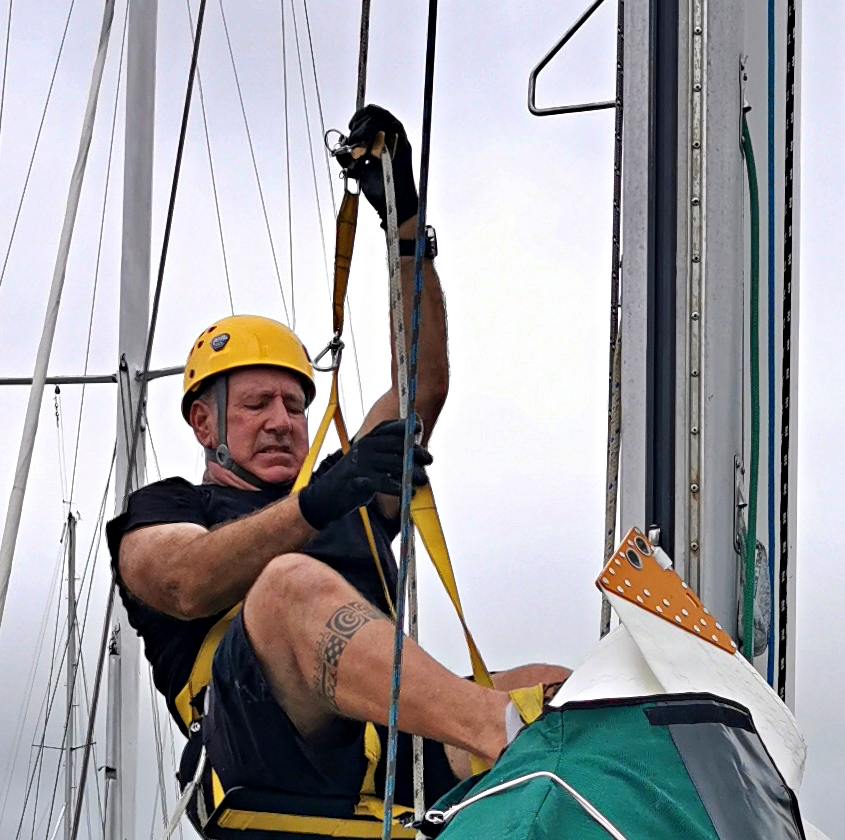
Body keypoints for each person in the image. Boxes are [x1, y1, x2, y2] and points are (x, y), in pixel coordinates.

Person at [107, 106, 567, 833]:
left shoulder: (344, 489)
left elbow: (420, 389)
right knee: (288, 585)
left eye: (294, 406)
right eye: (256, 404)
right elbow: (183, 581)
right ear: (203, 424)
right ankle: (500, 730)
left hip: (376, 746)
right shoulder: (166, 509)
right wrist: (314, 505)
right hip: (259, 747)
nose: (281, 421)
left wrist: (406, 229)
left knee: (563, 692)